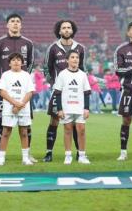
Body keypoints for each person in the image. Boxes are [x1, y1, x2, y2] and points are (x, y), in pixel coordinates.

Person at [0, 13, 35, 163]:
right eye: (12, 21)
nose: (15, 24)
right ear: (7, 25)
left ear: (21, 25)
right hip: (7, 92)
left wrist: (23, 83)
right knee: (1, 123)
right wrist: (1, 82)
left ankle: (27, 155)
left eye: (17, 21)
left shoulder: (28, 43)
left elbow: (31, 64)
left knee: (26, 125)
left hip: (23, 93)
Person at [43, 19, 86, 162]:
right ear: (59, 31)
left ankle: (79, 154)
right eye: (64, 28)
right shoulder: (53, 48)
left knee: (75, 123)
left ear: (72, 30)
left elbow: (83, 69)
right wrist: (53, 84)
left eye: (69, 27)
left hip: (75, 93)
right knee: (54, 120)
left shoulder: (80, 48)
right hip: (59, 92)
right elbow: (46, 68)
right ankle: (49, 153)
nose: (67, 30)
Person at [0, 53, 35, 166]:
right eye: (13, 60)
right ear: (9, 63)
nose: (16, 62)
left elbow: (30, 92)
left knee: (24, 132)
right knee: (6, 132)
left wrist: (20, 104)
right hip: (9, 108)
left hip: (23, 108)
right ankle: (1, 158)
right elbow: (2, 91)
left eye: (18, 60)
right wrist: (14, 103)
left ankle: (25, 158)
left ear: (22, 63)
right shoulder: (5, 75)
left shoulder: (26, 75)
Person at [53, 50, 92, 164]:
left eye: (77, 57)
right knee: (68, 130)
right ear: (67, 60)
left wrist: (86, 108)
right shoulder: (62, 74)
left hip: (80, 108)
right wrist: (59, 109)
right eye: (73, 57)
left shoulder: (82, 74)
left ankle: (82, 156)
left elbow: (86, 92)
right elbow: (58, 92)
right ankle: (68, 155)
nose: (75, 59)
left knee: (81, 130)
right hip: (66, 107)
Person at [114, 21, 132, 161]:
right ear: (128, 33)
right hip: (128, 89)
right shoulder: (121, 49)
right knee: (126, 120)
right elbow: (118, 70)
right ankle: (123, 152)